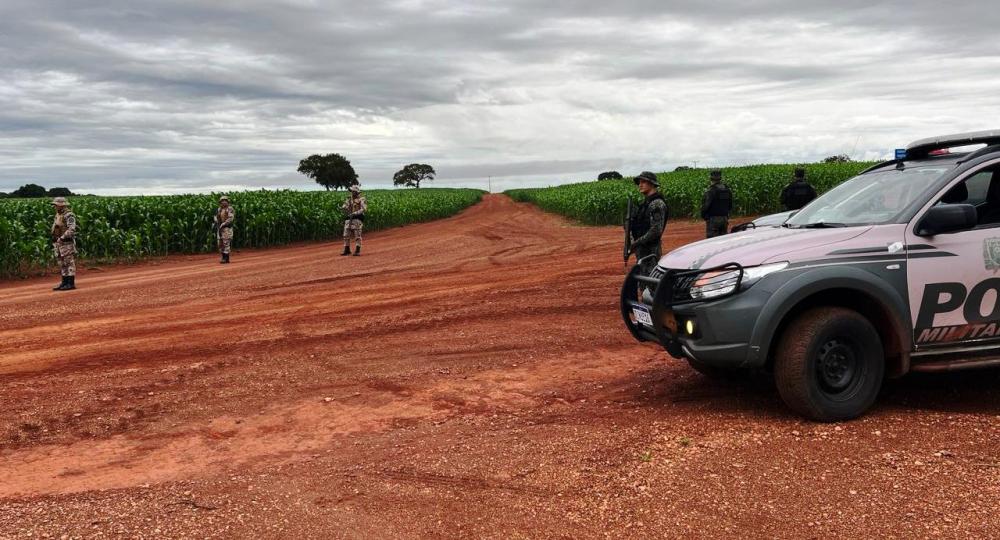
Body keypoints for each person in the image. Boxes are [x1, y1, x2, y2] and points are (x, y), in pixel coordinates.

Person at [628, 171, 667, 278]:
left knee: (651, 283)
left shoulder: (656, 204)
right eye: (639, 182)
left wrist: (636, 243)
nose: (640, 185)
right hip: (643, 249)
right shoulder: (646, 203)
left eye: (643, 182)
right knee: (643, 282)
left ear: (652, 183)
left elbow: (656, 230)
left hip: (651, 250)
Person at [51, 197, 78, 291]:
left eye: (56, 205)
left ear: (61, 205)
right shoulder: (58, 214)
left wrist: (62, 238)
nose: (54, 207)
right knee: (62, 263)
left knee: (69, 263)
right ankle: (64, 282)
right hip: (59, 243)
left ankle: (70, 283)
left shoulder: (69, 215)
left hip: (66, 242)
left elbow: (72, 229)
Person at [701, 169, 732, 238]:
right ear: (720, 178)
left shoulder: (711, 190)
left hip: (713, 219)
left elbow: (706, 206)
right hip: (724, 218)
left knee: (712, 241)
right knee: (723, 240)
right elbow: (730, 205)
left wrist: (703, 216)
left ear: (711, 179)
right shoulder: (727, 189)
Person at [342, 185, 367, 256]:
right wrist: (344, 207)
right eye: (351, 191)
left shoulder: (362, 199)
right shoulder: (349, 199)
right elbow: (345, 206)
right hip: (349, 218)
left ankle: (357, 250)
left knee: (357, 234)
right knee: (346, 234)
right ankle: (347, 249)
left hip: (357, 218)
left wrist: (355, 213)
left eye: (353, 191)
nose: (352, 193)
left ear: (357, 192)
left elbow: (363, 209)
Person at [214, 195, 235, 264]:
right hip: (220, 228)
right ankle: (223, 257)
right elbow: (216, 216)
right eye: (222, 201)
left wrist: (224, 223)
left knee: (226, 242)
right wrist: (216, 220)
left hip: (226, 228)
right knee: (220, 243)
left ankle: (226, 258)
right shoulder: (219, 209)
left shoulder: (230, 209)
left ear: (227, 202)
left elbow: (231, 218)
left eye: (225, 201)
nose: (223, 202)